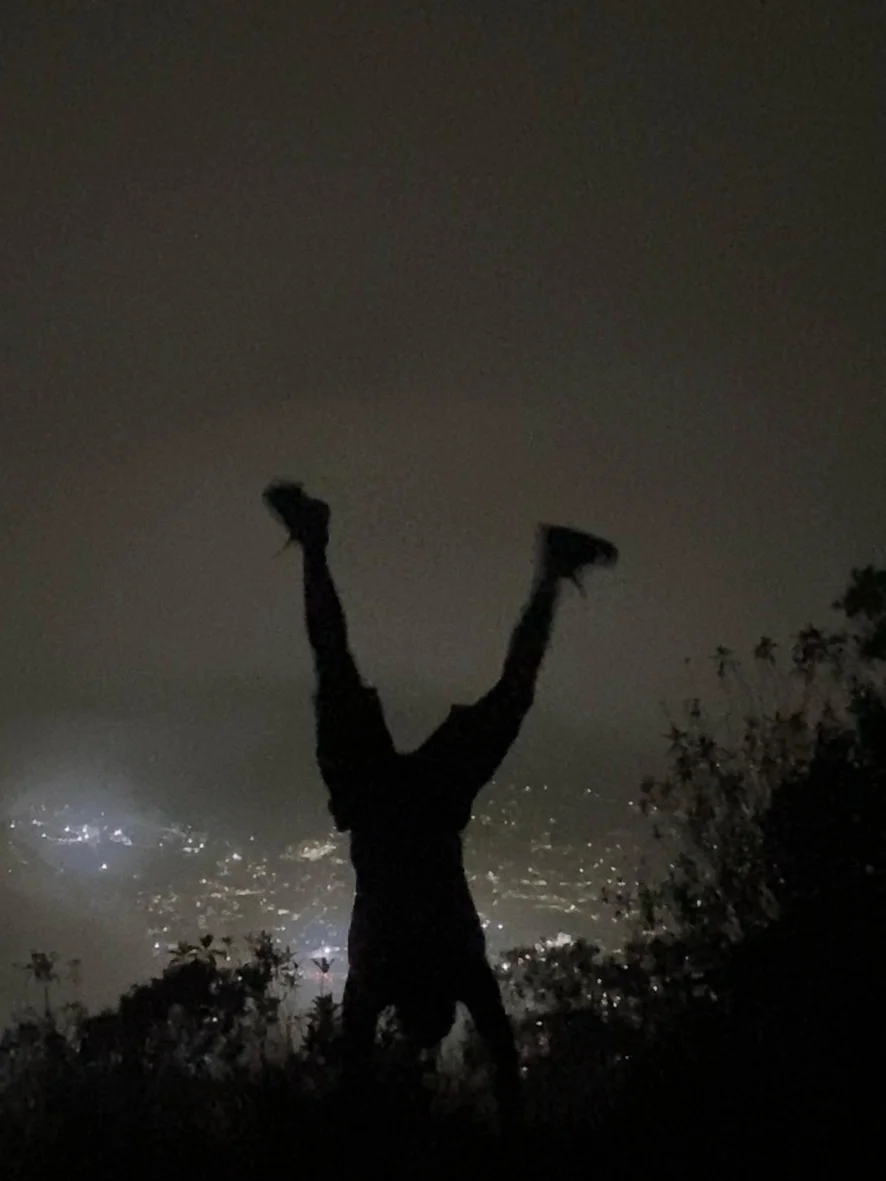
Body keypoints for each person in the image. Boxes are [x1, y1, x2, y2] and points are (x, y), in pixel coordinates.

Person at [263, 480, 618, 1122]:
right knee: (336, 661)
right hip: (389, 801)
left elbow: (498, 1053)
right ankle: (315, 541)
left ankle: (549, 572)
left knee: (507, 692)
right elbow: (366, 1063)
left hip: (415, 802)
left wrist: (512, 1115)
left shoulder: (451, 971)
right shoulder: (388, 978)